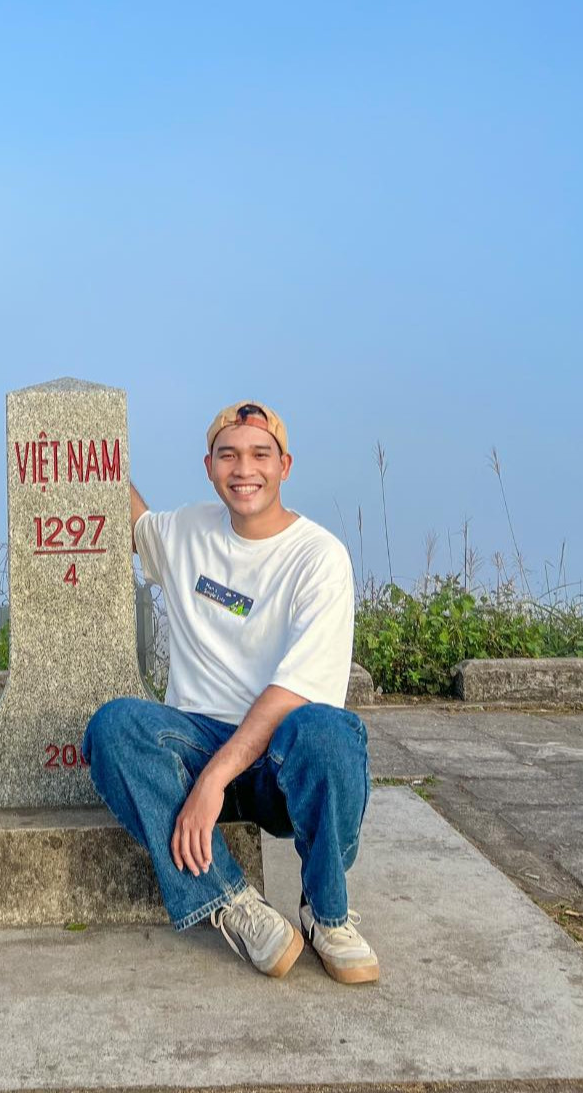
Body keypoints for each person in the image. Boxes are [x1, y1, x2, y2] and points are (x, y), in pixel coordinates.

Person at [81, 400, 378, 984]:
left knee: (331, 733)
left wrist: (214, 780)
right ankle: (233, 902)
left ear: (284, 465)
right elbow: (133, 520)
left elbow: (295, 692)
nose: (245, 469)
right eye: (229, 455)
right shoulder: (187, 531)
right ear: (209, 466)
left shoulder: (319, 557)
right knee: (112, 728)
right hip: (195, 740)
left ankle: (327, 914)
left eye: (260, 455)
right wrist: (92, 438)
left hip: (278, 764)